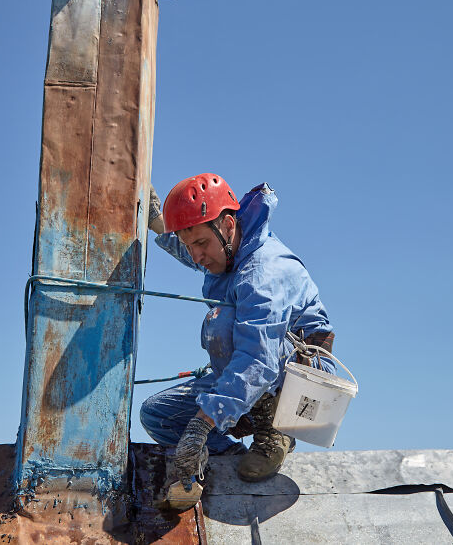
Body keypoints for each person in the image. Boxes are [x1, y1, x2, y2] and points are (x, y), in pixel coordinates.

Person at [140, 173, 335, 483]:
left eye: (201, 243)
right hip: (255, 369)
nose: (196, 255)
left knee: (223, 324)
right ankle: (227, 457)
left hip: (297, 382)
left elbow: (256, 359)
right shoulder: (228, 247)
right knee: (158, 413)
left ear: (228, 225)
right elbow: (198, 249)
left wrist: (202, 424)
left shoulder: (264, 273)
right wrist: (155, 221)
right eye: (189, 246)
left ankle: (272, 431)